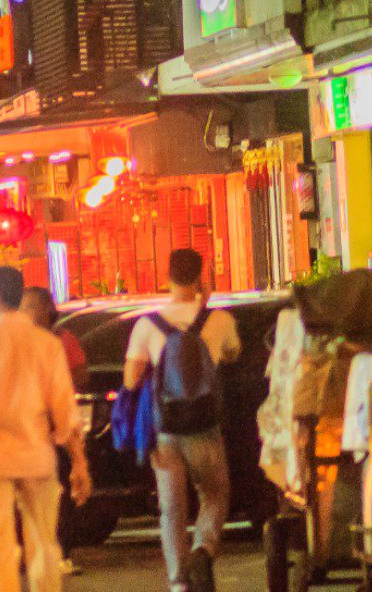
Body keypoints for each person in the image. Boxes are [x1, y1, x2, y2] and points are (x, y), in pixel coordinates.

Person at [0, 268, 89, 592]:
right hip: (36, 455)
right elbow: (64, 407)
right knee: (44, 544)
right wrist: (79, 461)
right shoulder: (47, 344)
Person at [124, 249, 240, 592]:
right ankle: (203, 548)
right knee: (216, 494)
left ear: (167, 275)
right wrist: (206, 305)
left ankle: (179, 582)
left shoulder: (148, 324)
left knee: (171, 508)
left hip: (166, 428)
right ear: (200, 276)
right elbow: (233, 353)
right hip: (204, 424)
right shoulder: (219, 320)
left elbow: (131, 379)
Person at [20, 287, 89, 575]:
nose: (28, 312)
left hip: (56, 429)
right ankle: (29, 552)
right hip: (25, 431)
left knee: (59, 496)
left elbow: (81, 376)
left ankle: (62, 551)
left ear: (48, 308)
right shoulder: (17, 342)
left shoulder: (63, 340)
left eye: (33, 306)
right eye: (24, 306)